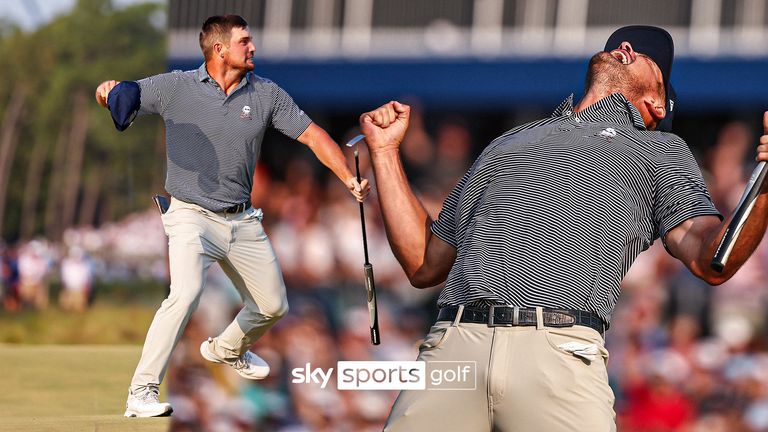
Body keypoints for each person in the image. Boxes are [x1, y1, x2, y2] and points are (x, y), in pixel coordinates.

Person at [358, 25, 768, 431]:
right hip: (455, 346)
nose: (624, 46)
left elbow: (711, 258)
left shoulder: (659, 149)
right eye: (620, 43)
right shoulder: (509, 141)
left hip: (558, 350)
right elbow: (422, 263)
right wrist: (385, 152)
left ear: (657, 105)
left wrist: (764, 184)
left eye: (645, 54)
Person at [94, 14, 370, 418]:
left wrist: (346, 176)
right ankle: (142, 392)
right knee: (184, 294)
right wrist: (107, 94)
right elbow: (127, 95)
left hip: (242, 220)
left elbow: (312, 135)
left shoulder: (266, 94)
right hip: (189, 214)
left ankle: (226, 349)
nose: (252, 47)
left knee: (273, 305)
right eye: (245, 41)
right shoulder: (177, 86)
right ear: (219, 49)